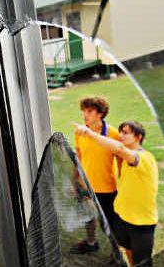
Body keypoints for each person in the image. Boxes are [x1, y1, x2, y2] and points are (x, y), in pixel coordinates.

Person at [74, 121, 158, 267]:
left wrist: (90, 134)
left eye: (126, 132)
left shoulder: (144, 158)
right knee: (127, 251)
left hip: (141, 224)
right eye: (120, 132)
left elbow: (118, 149)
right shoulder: (126, 159)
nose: (120, 135)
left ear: (138, 137)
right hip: (123, 217)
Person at [71, 97, 120, 254]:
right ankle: (91, 243)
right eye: (84, 111)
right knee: (88, 216)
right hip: (85, 185)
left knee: (109, 223)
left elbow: (121, 161)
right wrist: (75, 181)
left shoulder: (113, 134)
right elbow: (78, 157)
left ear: (100, 113)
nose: (85, 115)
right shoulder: (79, 132)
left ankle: (116, 253)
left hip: (106, 188)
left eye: (90, 111)